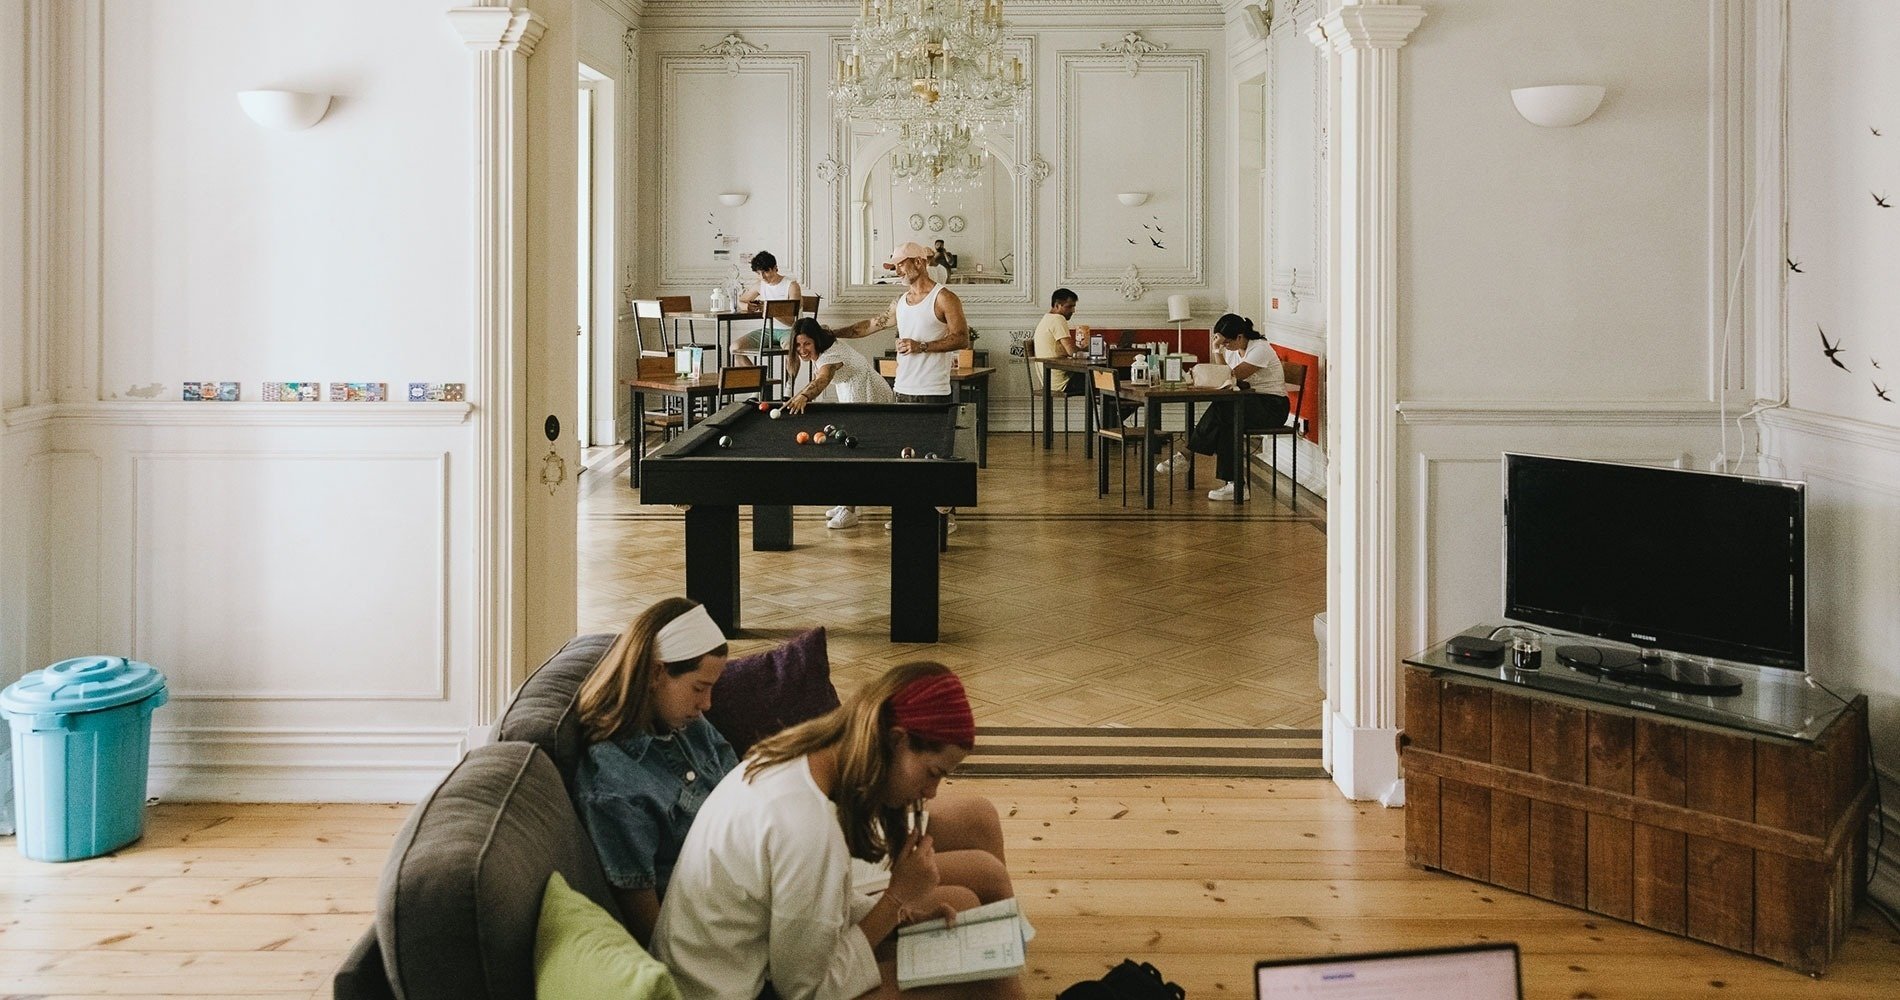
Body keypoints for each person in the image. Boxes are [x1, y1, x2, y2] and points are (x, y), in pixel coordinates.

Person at [652, 662, 1021, 1000]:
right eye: (932, 773)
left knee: (959, 929)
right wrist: (895, 900)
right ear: (897, 740)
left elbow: (813, 915)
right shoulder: (808, 825)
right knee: (990, 982)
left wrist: (900, 916)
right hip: (730, 991)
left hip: (736, 969)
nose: (931, 793)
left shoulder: (802, 761)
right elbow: (806, 990)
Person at [571, 597, 735, 947]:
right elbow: (651, 928)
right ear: (656, 673)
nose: (706, 704)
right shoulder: (613, 785)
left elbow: (742, 791)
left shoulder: (688, 725)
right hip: (713, 925)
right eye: (699, 688)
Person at [834, 241, 972, 533]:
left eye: (900, 264)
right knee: (907, 455)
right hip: (903, 389)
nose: (896, 270)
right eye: (894, 266)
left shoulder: (944, 297)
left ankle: (945, 517)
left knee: (935, 457)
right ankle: (910, 512)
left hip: (933, 391)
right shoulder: (900, 302)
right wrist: (831, 334)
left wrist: (921, 346)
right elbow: (869, 325)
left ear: (919, 262)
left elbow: (962, 338)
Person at [1156, 313, 1289, 502]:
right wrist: (1218, 348)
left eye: (1226, 342)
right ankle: (1236, 485)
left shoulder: (1260, 349)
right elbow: (1224, 377)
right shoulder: (1233, 350)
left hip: (1272, 407)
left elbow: (1232, 376)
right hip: (1248, 403)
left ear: (1240, 337)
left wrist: (1217, 351)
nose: (1224, 346)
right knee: (1228, 419)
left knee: (1226, 410)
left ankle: (1186, 454)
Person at [785, 317, 896, 529]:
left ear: (816, 340)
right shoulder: (825, 340)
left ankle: (849, 510)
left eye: (807, 343)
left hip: (868, 394)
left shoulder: (830, 356)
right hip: (855, 390)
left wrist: (805, 396)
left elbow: (822, 379)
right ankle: (847, 501)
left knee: (854, 453)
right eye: (797, 345)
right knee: (853, 451)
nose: (802, 350)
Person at [734, 250, 803, 359]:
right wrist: (747, 306)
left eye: (765, 272)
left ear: (775, 268)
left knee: (790, 351)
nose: (762, 277)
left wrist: (769, 310)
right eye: (758, 273)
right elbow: (741, 300)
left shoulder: (791, 286)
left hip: (789, 330)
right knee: (735, 348)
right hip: (768, 330)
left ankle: (789, 372)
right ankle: (756, 371)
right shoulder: (760, 285)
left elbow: (791, 321)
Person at [1030, 288, 1084, 398]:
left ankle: (1108, 408)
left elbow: (1063, 350)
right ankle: (1112, 409)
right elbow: (1072, 352)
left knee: (1103, 380)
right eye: (1069, 306)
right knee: (1107, 380)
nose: (1073, 310)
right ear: (1057, 305)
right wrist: (1088, 350)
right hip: (1063, 383)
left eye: (1074, 306)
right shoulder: (1058, 319)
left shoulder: (1046, 319)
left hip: (1049, 382)